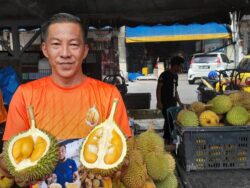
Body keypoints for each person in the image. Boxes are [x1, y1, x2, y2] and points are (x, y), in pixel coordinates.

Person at [0, 13, 131, 186]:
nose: (65, 53)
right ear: (45, 49)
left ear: (85, 50)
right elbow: (9, 156)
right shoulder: (25, 95)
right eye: (56, 44)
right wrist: (12, 168)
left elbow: (125, 153)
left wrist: (123, 165)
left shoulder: (109, 95)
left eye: (74, 45)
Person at [156, 56, 184, 144]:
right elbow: (158, 89)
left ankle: (169, 140)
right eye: (180, 66)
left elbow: (175, 90)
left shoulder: (175, 76)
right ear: (175, 65)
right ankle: (167, 140)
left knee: (172, 122)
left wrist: (179, 102)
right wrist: (159, 102)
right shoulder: (164, 75)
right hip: (165, 103)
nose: (180, 68)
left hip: (173, 103)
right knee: (169, 121)